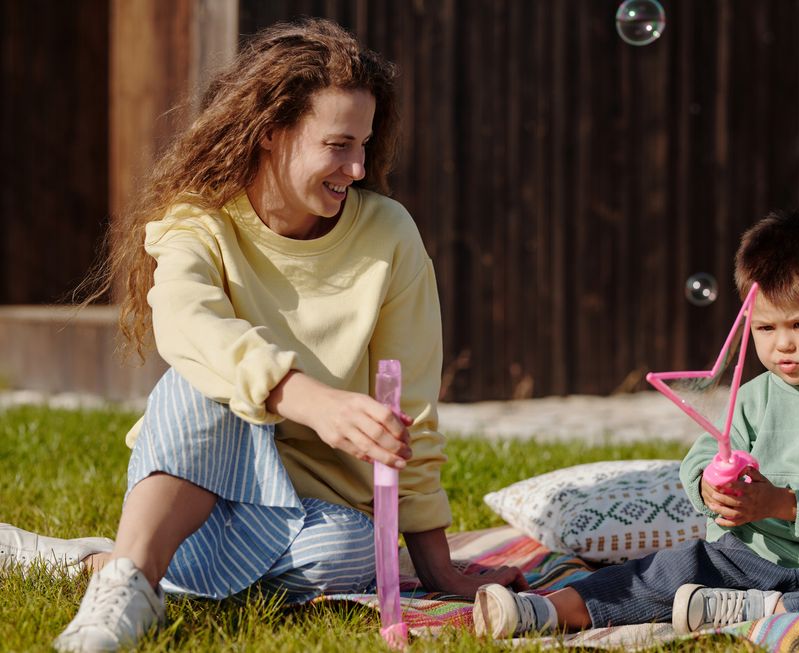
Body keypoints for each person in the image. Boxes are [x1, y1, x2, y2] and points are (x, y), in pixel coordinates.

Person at [0, 18, 524, 652]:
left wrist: (437, 568)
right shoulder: (199, 221)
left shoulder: (389, 235)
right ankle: (125, 591)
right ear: (272, 132)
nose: (357, 167)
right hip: (197, 484)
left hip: (321, 518)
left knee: (346, 555)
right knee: (199, 386)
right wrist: (306, 398)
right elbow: (189, 326)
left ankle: (109, 567)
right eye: (337, 144)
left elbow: (407, 408)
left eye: (364, 143)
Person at [472, 209, 799, 638]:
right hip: (746, 555)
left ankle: (762, 610)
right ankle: (549, 609)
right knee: (665, 570)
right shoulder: (753, 396)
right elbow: (707, 453)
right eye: (765, 328)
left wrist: (780, 503)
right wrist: (708, 485)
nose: (783, 345)